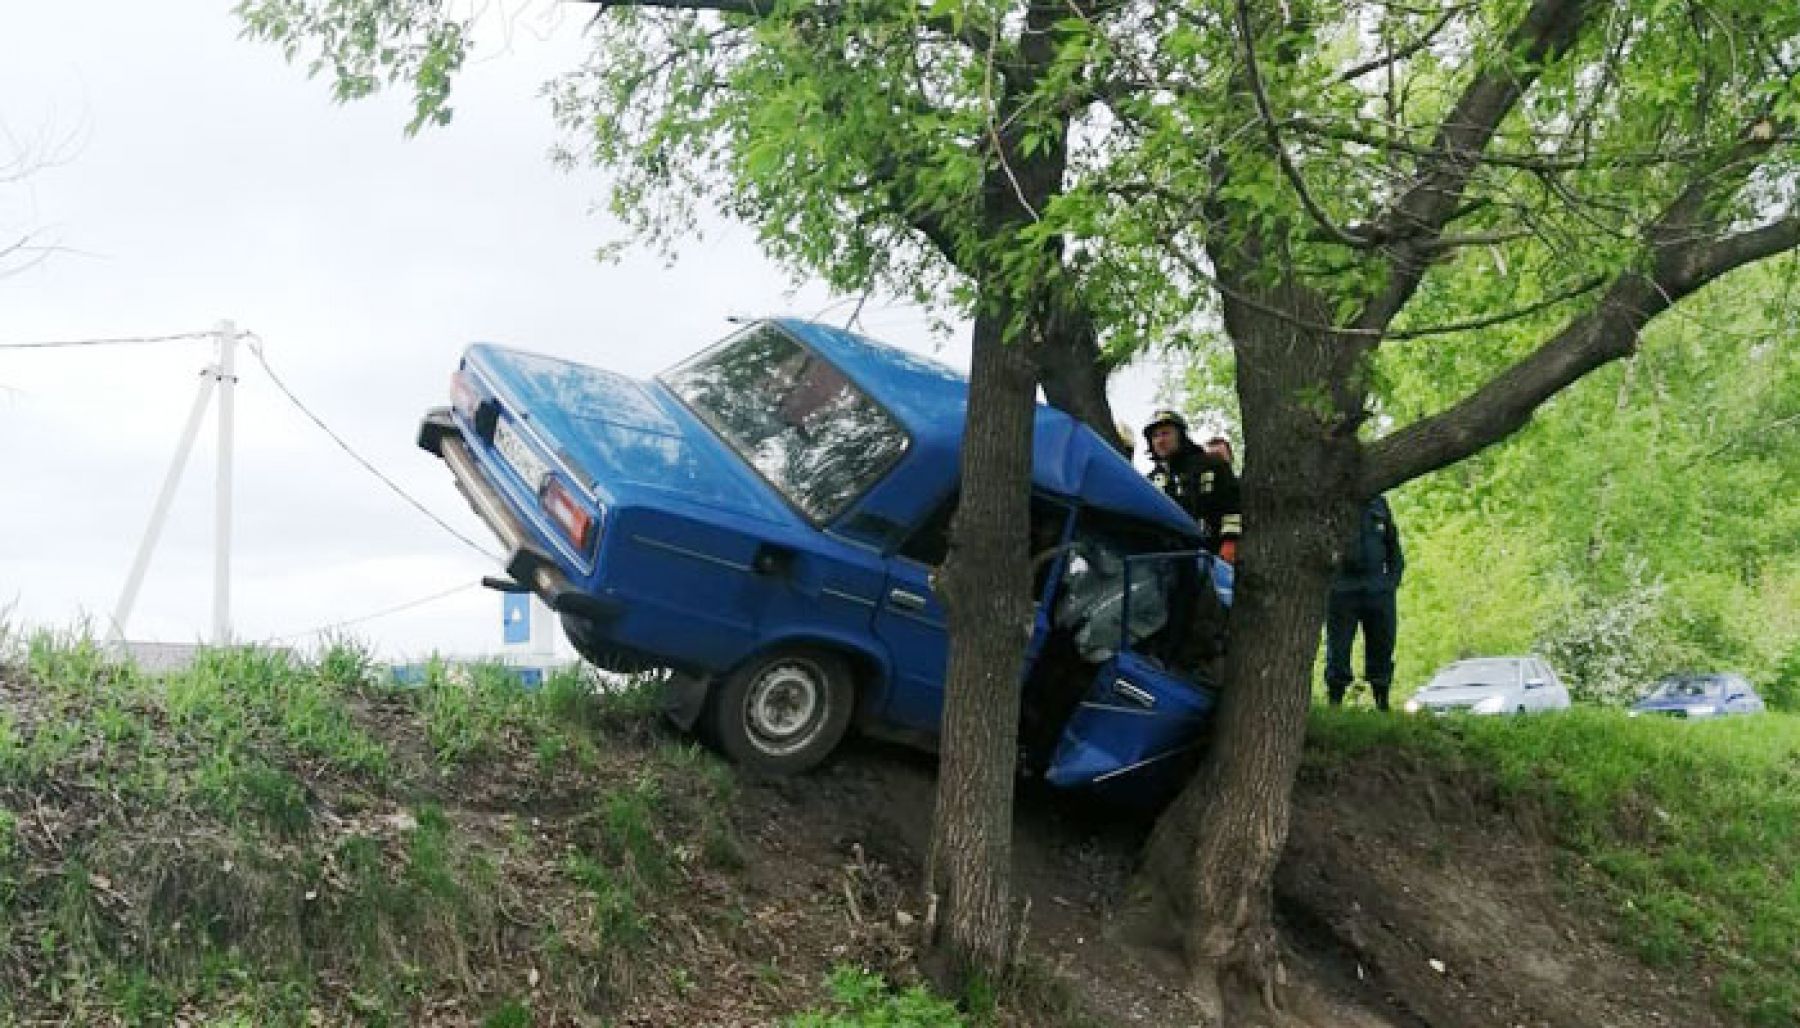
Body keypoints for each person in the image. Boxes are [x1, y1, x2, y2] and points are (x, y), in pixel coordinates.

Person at [1325, 495, 1405, 710]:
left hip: (1378, 589)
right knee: (1338, 650)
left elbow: (1392, 545)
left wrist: (1392, 581)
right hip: (1343, 590)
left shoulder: (1379, 504)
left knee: (1382, 646)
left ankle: (1382, 703)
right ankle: (1335, 704)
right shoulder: (1333, 501)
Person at [1142, 409, 1242, 563]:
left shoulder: (1212, 465)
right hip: (1168, 559)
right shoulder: (1151, 480)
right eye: (1155, 436)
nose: (1160, 441)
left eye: (1165, 433)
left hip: (1213, 553)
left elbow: (1232, 506)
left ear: (1181, 436)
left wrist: (1230, 542)